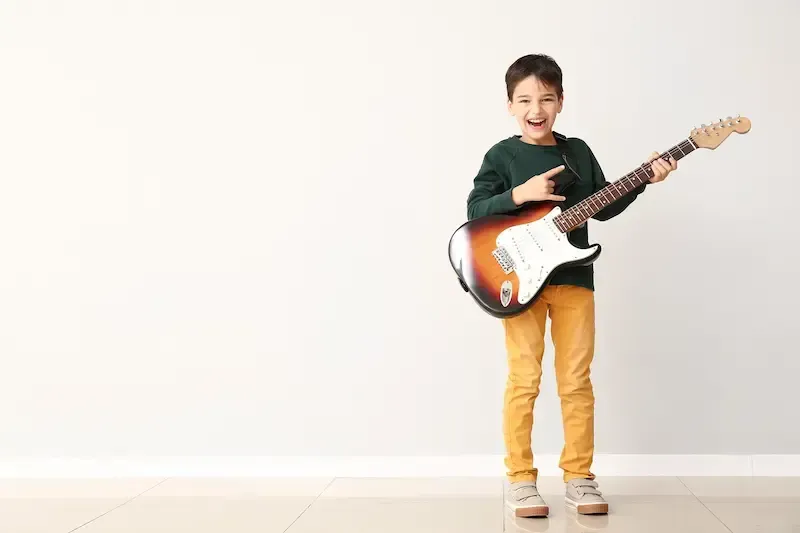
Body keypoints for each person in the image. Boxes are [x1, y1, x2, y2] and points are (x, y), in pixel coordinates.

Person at [466, 54, 677, 518]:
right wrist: (520, 195)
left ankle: (579, 476)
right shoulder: (502, 155)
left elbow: (603, 207)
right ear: (509, 105)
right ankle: (520, 480)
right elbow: (476, 211)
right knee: (524, 380)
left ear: (561, 101)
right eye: (524, 99)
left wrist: (645, 179)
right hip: (518, 284)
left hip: (574, 280)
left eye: (545, 97)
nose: (535, 107)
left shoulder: (577, 151)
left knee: (576, 381)